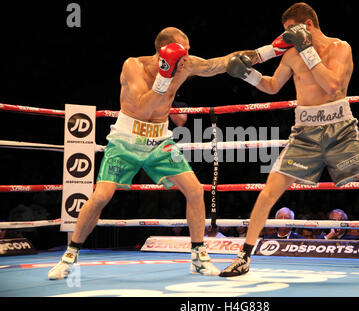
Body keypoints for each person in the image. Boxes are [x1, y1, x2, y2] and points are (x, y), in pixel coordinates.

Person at [220, 3, 359, 280]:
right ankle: (244, 258)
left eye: (290, 31)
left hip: (341, 130)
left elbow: (333, 86)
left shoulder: (340, 48)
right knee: (268, 193)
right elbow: (272, 86)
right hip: (304, 133)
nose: (286, 38)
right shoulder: (292, 55)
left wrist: (307, 50)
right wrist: (247, 74)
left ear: (307, 26)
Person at [48, 27, 260, 279]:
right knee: (101, 196)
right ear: (166, 51)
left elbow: (218, 64)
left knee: (194, 190)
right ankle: (70, 256)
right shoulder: (133, 66)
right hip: (125, 140)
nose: (189, 55)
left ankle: (198, 256)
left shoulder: (186, 64)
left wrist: (266, 51)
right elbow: (142, 107)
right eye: (184, 50)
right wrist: (164, 75)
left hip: (160, 140)